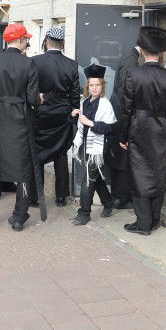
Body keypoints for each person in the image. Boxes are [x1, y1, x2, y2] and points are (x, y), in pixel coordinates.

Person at [0, 23, 40, 231]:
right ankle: (19, 217)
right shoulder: (29, 63)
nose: (27, 43)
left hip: (0, 119)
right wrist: (40, 99)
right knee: (23, 169)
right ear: (21, 40)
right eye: (26, 40)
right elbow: (33, 98)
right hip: (21, 119)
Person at [118, 26, 166, 235]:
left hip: (138, 128)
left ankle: (143, 223)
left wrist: (123, 135)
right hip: (161, 129)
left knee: (138, 174)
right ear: (161, 53)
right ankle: (153, 220)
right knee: (158, 173)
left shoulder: (133, 74)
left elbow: (125, 109)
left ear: (142, 50)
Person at [29, 27, 79, 207]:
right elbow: (75, 94)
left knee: (37, 152)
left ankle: (35, 196)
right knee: (60, 152)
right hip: (62, 112)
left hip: (40, 111)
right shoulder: (72, 64)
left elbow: (31, 89)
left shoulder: (34, 61)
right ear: (62, 43)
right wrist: (74, 111)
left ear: (46, 41)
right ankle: (60, 196)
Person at [70, 64, 116, 225]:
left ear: (102, 86)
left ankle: (84, 213)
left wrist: (90, 122)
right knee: (95, 178)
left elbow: (110, 128)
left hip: (98, 147)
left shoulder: (105, 104)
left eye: (97, 85)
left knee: (88, 179)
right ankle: (108, 202)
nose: (94, 88)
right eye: (91, 85)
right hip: (86, 145)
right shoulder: (85, 102)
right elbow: (82, 125)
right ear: (87, 86)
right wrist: (75, 115)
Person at [108, 42, 141, 211]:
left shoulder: (130, 58)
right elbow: (124, 92)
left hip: (119, 111)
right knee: (122, 155)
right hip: (121, 112)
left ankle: (120, 195)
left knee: (121, 154)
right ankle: (120, 197)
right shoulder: (131, 61)